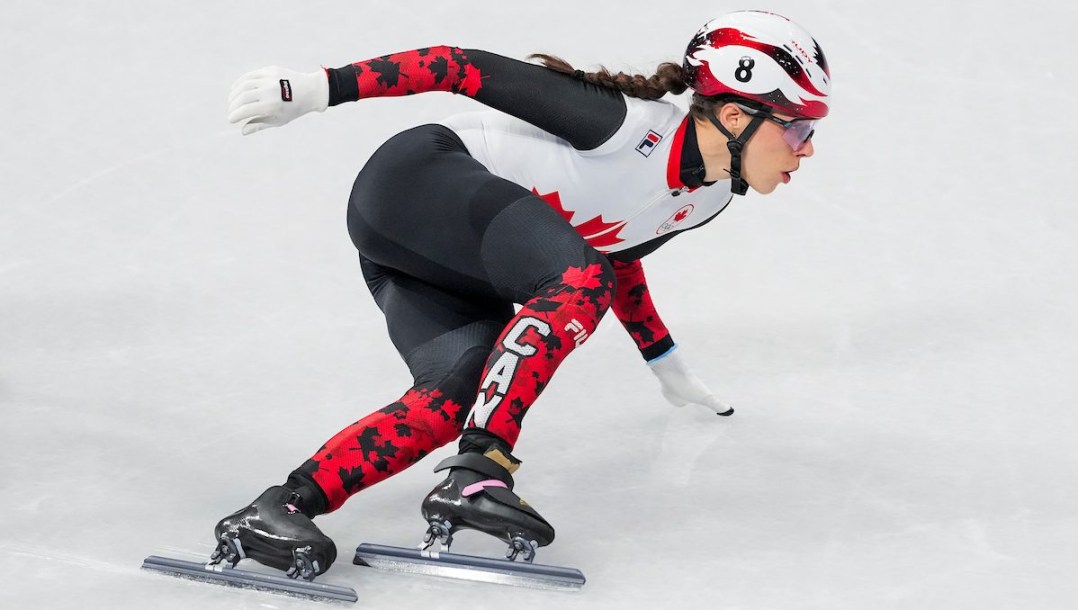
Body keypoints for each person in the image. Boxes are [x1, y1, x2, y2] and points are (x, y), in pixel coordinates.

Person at [213, 10, 831, 580]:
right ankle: (480, 471)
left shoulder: (709, 197)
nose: (806, 148)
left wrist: (664, 360)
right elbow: (462, 67)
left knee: (449, 401)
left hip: (444, 260)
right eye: (798, 126)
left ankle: (281, 506)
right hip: (411, 184)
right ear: (733, 116)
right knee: (577, 280)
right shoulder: (622, 124)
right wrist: (319, 89)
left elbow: (615, 258)